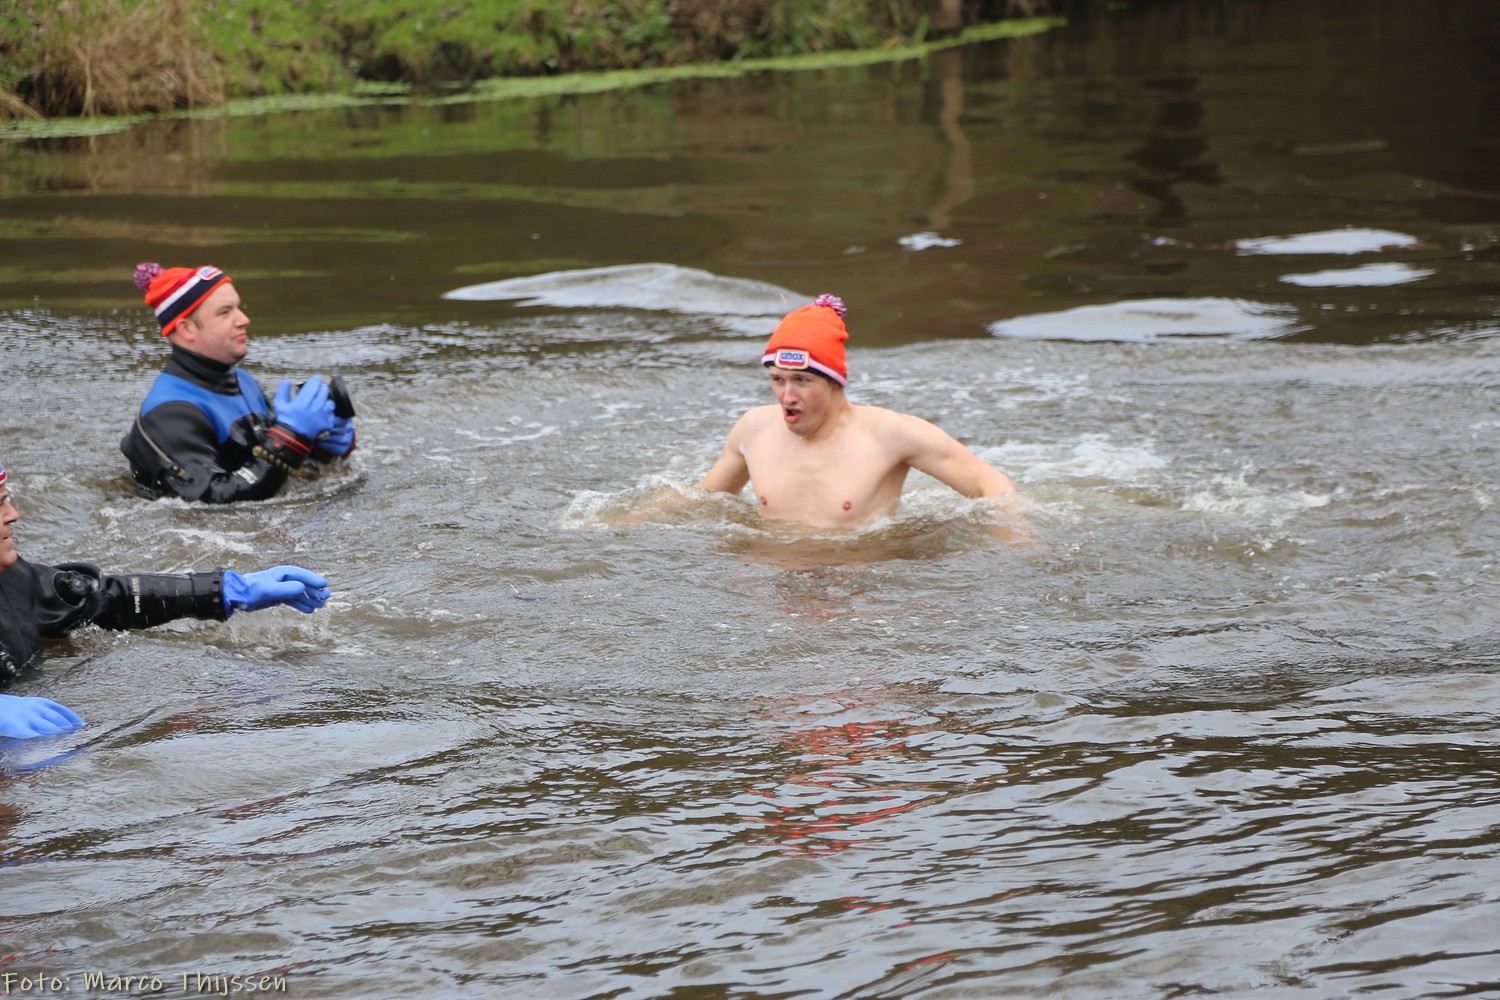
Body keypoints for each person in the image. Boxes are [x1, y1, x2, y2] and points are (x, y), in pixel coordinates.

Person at [0, 459, 332, 741]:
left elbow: (108, 601)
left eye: (7, 500)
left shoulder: (14, 579)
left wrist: (222, 590)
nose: (13, 514)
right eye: (0, 503)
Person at [697, 294, 1022, 528]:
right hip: (774, 584)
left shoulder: (890, 435)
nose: (787, 396)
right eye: (777, 380)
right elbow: (702, 502)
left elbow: (992, 486)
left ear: (835, 384)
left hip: (858, 585)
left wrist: (1015, 545)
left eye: (802, 381)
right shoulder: (754, 429)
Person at [120, 262, 357, 503]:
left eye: (238, 308)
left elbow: (272, 465)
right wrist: (291, 436)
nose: (243, 319)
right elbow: (212, 500)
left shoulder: (243, 381)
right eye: (225, 312)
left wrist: (321, 446)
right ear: (187, 329)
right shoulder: (170, 413)